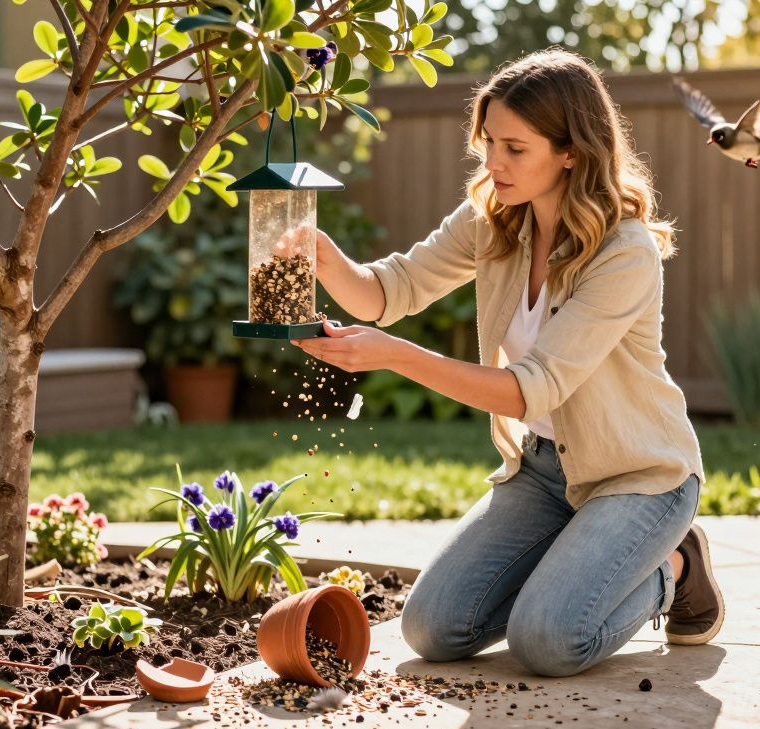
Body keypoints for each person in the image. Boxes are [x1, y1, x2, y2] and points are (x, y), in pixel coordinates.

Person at [289, 47, 724, 677]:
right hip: (543, 472)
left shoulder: (625, 252)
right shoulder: (493, 218)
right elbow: (390, 291)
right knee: (431, 628)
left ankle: (672, 564)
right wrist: (327, 261)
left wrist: (395, 358)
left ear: (571, 150)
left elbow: (531, 391)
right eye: (488, 141)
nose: (494, 163)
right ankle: (577, 566)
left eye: (515, 148)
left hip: (638, 475)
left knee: (548, 643)